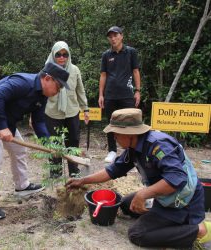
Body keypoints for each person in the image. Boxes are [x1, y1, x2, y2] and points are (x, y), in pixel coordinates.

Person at [66, 108, 211, 249]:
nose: (114, 137)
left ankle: (198, 230)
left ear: (130, 134)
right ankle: (159, 218)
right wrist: (82, 181)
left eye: (116, 133)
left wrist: (143, 194)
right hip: (164, 196)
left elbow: (177, 178)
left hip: (183, 202)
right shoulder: (134, 147)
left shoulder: (158, 145)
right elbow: (113, 170)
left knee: (137, 234)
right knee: (125, 204)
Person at [0, 62, 70, 220]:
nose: (58, 91)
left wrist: (49, 145)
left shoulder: (42, 96)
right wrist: (2, 126)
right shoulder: (23, 83)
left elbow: (38, 122)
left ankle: (22, 186)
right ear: (48, 79)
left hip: (4, 121)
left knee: (19, 150)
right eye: (58, 86)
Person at [44, 41, 89, 178]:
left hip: (72, 112)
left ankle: (74, 170)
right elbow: (40, 94)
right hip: (52, 112)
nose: (62, 57)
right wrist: (33, 115)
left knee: (73, 141)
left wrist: (85, 109)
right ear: (53, 54)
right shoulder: (46, 70)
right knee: (54, 143)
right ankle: (55, 172)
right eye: (58, 54)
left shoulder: (75, 70)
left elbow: (80, 90)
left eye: (65, 54)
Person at [98, 26, 141, 163]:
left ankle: (132, 150)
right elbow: (103, 75)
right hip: (110, 95)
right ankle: (112, 150)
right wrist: (101, 95)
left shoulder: (131, 52)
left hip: (127, 93)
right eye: (110, 36)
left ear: (121, 36)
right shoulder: (106, 55)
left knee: (130, 121)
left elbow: (135, 71)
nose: (113, 38)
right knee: (111, 123)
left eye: (115, 35)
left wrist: (138, 91)